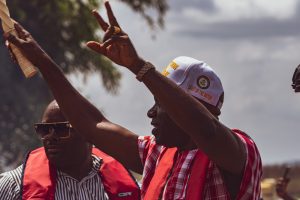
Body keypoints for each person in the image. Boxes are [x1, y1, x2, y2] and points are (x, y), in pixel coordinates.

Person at [4, 1, 262, 199]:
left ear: (189, 108)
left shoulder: (238, 152)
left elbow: (206, 131)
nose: (150, 113)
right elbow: (89, 123)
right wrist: (42, 61)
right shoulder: (158, 154)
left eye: (160, 103)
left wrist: (139, 67)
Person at [0, 100, 140, 200]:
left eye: (61, 129)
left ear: (88, 132)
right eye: (44, 130)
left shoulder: (130, 186)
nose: (50, 137)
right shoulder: (14, 186)